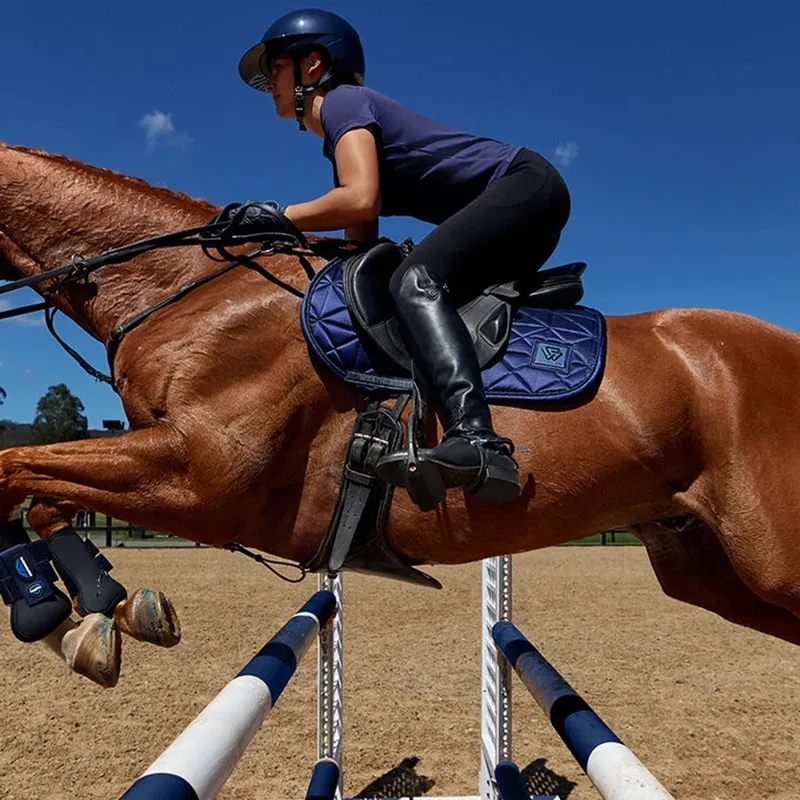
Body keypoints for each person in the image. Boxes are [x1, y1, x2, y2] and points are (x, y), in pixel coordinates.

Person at [237, 9, 571, 504]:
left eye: (275, 68)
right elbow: (358, 249)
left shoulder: (342, 103)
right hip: (529, 203)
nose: (268, 84)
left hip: (525, 185)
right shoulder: (342, 136)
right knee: (402, 289)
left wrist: (276, 215)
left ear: (312, 64)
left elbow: (360, 199)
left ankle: (478, 439)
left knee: (415, 282)